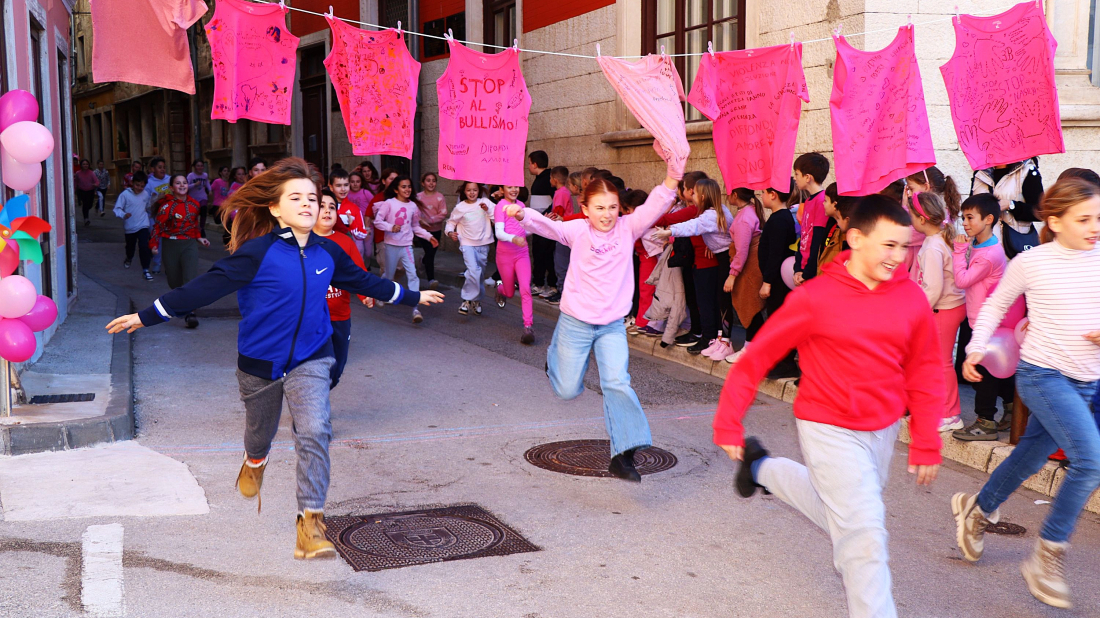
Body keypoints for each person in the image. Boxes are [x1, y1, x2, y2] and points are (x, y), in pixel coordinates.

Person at [105, 158, 443, 560]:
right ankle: (255, 460)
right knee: (259, 432)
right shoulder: (256, 254)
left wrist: (411, 296)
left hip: (312, 357)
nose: (307, 204)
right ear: (275, 208)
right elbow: (201, 290)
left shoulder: (328, 253)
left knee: (316, 430)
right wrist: (145, 316)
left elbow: (365, 281)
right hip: (259, 361)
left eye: (313, 199)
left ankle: (310, 526)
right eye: (295, 198)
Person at [714, 195, 944, 618]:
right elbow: (758, 357)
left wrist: (927, 439)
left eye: (904, 247)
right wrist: (728, 422)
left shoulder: (911, 298)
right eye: (888, 245)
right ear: (855, 238)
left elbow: (927, 369)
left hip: (882, 427)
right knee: (863, 534)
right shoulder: (815, 297)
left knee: (839, 511)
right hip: (827, 427)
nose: (898, 256)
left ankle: (761, 467)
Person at [953, 177, 1100, 610]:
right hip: (1042, 376)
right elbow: (995, 306)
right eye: (1084, 219)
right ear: (1054, 220)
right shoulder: (1033, 262)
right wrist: (976, 348)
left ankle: (978, 509)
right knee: (1090, 460)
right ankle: (1047, 555)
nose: (1095, 227)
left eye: (1099, 218)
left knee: (1030, 457)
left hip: (1085, 381)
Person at [503, 157, 683, 481]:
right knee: (568, 390)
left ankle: (624, 454)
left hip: (612, 325)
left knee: (617, 382)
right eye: (599, 208)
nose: (607, 214)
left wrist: (673, 175)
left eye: (612, 207)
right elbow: (551, 227)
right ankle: (554, 357)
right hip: (575, 322)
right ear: (585, 209)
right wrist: (523, 213)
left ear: (620, 208)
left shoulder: (629, 228)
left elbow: (655, 204)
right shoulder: (577, 230)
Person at [951, 193, 1016, 440]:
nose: (965, 223)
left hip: (988, 321)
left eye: (970, 217)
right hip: (979, 318)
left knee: (984, 374)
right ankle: (1011, 409)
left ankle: (985, 422)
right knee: (994, 370)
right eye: (963, 217)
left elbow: (962, 280)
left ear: (988, 219)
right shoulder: (979, 244)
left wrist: (959, 252)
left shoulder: (989, 253)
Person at [907, 191, 967, 431]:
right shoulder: (940, 236)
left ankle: (951, 414)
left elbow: (932, 288)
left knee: (941, 362)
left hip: (943, 309)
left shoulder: (933, 246)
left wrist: (917, 312)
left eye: (910, 214)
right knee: (936, 361)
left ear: (922, 219)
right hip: (946, 307)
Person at [653, 178, 733, 357]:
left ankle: (717, 340)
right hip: (721, 257)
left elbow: (693, 226)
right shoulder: (718, 211)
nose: (692, 195)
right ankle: (717, 339)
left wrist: (669, 231)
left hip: (724, 259)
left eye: (695, 192)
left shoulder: (711, 215)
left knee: (718, 302)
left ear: (703, 196)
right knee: (717, 301)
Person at [314, 188, 371, 388]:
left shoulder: (345, 242)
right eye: (321, 206)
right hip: (311, 317)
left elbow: (359, 272)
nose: (327, 211)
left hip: (340, 316)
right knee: (314, 367)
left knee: (336, 368)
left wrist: (366, 295)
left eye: (332, 207)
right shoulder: (302, 240)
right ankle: (312, 404)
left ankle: (323, 390)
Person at [374, 174, 438, 324]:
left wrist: (429, 237)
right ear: (396, 189)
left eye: (409, 186)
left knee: (413, 274)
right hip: (391, 245)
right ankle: (379, 293)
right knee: (389, 275)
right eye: (403, 187)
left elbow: (415, 226)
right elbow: (378, 222)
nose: (407, 189)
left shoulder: (413, 206)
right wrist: (390, 227)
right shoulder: (389, 204)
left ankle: (415, 308)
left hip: (407, 246)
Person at [151, 174, 210, 327]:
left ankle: (190, 313)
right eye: (178, 183)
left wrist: (199, 238)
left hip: (189, 245)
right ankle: (183, 304)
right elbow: (157, 227)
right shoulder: (166, 206)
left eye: (184, 182)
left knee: (189, 278)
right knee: (174, 281)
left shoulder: (195, 204)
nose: (182, 185)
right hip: (171, 245)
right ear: (172, 187)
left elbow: (193, 225)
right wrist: (154, 244)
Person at [756, 179, 800, 379]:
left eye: (763, 192)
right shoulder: (779, 217)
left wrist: (767, 281)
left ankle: (785, 364)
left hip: (778, 282)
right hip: (778, 279)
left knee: (779, 322)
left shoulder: (779, 220)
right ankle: (778, 361)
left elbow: (775, 254)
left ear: (773, 194)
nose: (761, 196)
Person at [721, 187, 765, 364]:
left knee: (750, 307)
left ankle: (750, 348)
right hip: (751, 266)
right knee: (752, 308)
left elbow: (741, 252)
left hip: (748, 269)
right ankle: (751, 346)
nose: (726, 195)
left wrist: (732, 275)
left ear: (735, 195)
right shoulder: (750, 211)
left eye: (728, 192)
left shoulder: (744, 219)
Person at [493, 184, 536, 343]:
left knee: (526, 288)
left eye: (516, 187)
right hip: (505, 256)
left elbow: (525, 230)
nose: (514, 190)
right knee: (510, 292)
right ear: (502, 189)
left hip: (521, 254)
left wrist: (538, 225)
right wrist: (513, 239)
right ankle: (500, 288)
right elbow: (499, 233)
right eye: (510, 187)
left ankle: (528, 327)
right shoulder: (500, 207)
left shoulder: (521, 206)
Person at [446, 181, 495, 316]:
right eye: (469, 190)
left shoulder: (485, 202)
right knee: (473, 270)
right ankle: (467, 300)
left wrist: (488, 210)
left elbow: (498, 219)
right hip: (467, 243)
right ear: (464, 191)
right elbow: (451, 222)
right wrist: (450, 233)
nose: (472, 193)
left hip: (483, 243)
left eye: (474, 190)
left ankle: (476, 300)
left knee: (478, 274)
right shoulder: (460, 207)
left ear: (479, 190)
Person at [792, 153, 830, 285]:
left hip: (812, 269)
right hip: (803, 267)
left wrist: (808, 271)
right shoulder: (808, 201)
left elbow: (817, 239)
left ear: (807, 177)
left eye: (797, 174)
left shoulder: (821, 201)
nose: (795, 178)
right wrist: (798, 267)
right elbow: (804, 237)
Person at [113, 170, 154, 281]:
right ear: (132, 183)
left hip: (143, 224)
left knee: (144, 246)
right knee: (130, 247)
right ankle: (129, 257)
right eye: (137, 185)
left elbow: (148, 206)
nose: (139, 188)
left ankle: (146, 269)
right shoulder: (125, 195)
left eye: (142, 186)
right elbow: (117, 208)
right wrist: (124, 214)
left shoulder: (145, 194)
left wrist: (156, 199)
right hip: (130, 227)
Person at [527, 150, 558, 296]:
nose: (528, 166)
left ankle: (551, 284)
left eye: (529, 163)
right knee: (538, 252)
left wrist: (545, 215)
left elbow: (556, 200)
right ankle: (538, 283)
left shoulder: (548, 179)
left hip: (546, 225)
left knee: (546, 254)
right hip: (537, 225)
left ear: (535, 164)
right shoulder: (539, 178)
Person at [543, 166, 574, 304]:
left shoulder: (560, 193)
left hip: (563, 232)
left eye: (550, 178)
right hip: (563, 231)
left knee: (561, 264)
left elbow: (558, 212)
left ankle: (563, 294)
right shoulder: (564, 192)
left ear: (554, 179)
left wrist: (548, 220)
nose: (549, 180)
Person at [416, 172, 448, 288]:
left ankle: (423, 262)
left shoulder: (440, 197)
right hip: (422, 231)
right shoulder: (418, 197)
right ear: (423, 183)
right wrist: (420, 220)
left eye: (433, 180)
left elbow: (443, 213)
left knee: (431, 254)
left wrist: (431, 220)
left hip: (436, 230)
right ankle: (431, 279)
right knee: (429, 253)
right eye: (428, 180)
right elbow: (414, 212)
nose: (431, 183)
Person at [819, 182, 856, 271]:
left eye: (825, 200)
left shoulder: (846, 235)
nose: (823, 204)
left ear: (835, 205)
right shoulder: (831, 223)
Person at [187, 160, 212, 235]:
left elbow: (207, 182)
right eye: (198, 166)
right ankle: (193, 228)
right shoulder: (191, 176)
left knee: (203, 210)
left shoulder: (205, 175)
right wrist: (194, 184)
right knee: (194, 214)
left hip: (203, 196)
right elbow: (186, 186)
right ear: (194, 167)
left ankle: (202, 228)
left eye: (201, 166)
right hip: (193, 198)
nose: (200, 167)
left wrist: (210, 190)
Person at [75, 159, 99, 226]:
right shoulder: (78, 173)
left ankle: (86, 211)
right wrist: (74, 189)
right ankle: (86, 218)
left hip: (90, 190)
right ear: (81, 165)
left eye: (86, 164)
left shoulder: (91, 173)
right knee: (85, 204)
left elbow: (96, 181)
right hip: (82, 190)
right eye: (84, 164)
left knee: (90, 204)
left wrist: (96, 184)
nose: (85, 165)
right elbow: (76, 182)